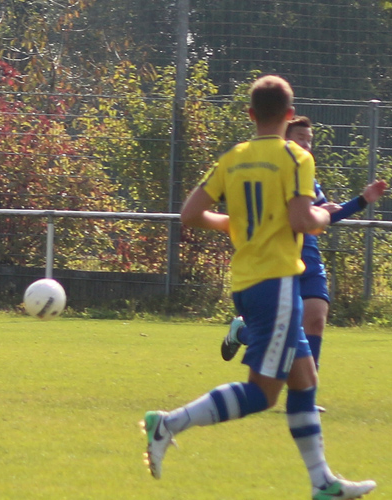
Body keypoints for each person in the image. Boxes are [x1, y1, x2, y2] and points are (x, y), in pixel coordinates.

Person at [142, 76, 376, 500]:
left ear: (250, 115)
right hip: (278, 282)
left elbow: (191, 214)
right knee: (262, 394)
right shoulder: (296, 158)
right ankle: (169, 422)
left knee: (304, 380)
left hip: (247, 282)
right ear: (289, 116)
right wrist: (325, 218)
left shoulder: (233, 157)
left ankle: (322, 482)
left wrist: (231, 222)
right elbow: (304, 220)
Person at [220, 117, 387, 411]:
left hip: (308, 253)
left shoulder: (308, 177)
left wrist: (361, 200)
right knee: (280, 333)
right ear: (284, 138)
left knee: (317, 316)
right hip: (280, 257)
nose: (306, 144)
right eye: (300, 138)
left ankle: (306, 395)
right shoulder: (271, 171)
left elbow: (323, 216)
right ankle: (241, 333)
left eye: (309, 140)